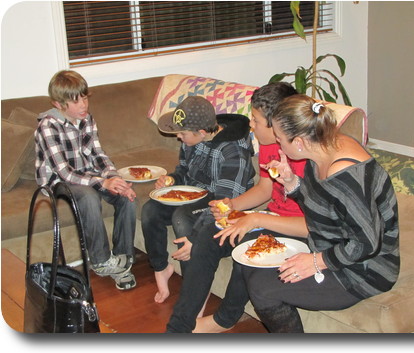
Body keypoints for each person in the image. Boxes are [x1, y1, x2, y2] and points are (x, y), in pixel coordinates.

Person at [233, 94, 400, 333]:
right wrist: (291, 182)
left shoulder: (346, 176)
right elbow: (323, 208)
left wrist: (316, 262)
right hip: (331, 244)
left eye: (280, 140)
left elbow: (367, 244)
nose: (278, 146)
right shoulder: (320, 147)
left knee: (263, 289)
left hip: (364, 270)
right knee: (253, 260)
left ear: (299, 141)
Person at [166, 82, 305, 333]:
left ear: (277, 123)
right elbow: (265, 189)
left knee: (246, 246)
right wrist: (232, 205)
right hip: (270, 215)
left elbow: (312, 221)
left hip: (292, 228)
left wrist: (255, 220)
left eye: (255, 120)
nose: (250, 125)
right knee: (208, 236)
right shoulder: (269, 144)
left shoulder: (305, 154)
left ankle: (224, 318)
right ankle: (179, 328)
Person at [141, 96, 255, 304]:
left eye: (182, 133)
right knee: (151, 209)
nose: (178, 137)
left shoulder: (233, 151)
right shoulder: (191, 140)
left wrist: (195, 237)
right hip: (197, 193)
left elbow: (225, 204)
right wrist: (172, 179)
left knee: (182, 217)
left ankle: (192, 291)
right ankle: (161, 268)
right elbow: (184, 171)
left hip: (224, 200)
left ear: (202, 133)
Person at [35, 70, 137, 290]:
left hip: (87, 173)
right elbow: (64, 172)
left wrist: (115, 179)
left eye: (84, 97)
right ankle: (101, 261)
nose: (83, 105)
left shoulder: (87, 119)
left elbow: (98, 155)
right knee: (90, 196)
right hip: (58, 182)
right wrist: (101, 182)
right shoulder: (48, 126)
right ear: (58, 103)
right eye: (75, 101)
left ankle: (122, 259)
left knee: (126, 196)